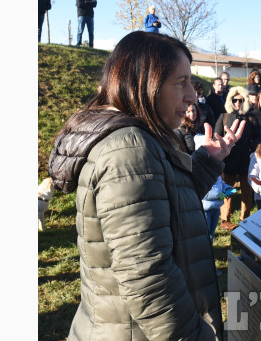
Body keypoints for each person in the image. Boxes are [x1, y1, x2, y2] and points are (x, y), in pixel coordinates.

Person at [48, 31, 244, 341]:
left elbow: (166, 211)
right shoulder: (129, 151)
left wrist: (207, 160)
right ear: (144, 85)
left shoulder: (143, 139)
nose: (192, 96)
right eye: (181, 82)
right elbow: (148, 278)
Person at [214, 86, 255, 229]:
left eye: (240, 100)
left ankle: (246, 218)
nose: (237, 103)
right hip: (229, 159)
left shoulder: (250, 117)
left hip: (245, 158)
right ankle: (225, 219)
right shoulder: (224, 116)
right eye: (234, 100)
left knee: (247, 191)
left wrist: (251, 149)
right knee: (227, 189)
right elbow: (216, 136)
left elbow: (256, 137)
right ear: (230, 100)